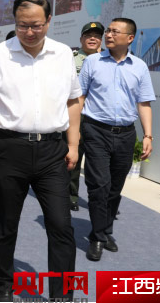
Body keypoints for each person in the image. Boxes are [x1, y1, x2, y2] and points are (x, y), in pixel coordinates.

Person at [0, 0, 81, 301]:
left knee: (61, 225)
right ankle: (3, 285)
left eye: (36, 25)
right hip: (10, 149)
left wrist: (73, 144)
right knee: (6, 223)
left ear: (48, 21)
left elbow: (73, 100)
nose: (29, 32)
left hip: (52, 151)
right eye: (22, 25)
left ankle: (62, 295)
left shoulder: (62, 54)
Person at [79, 17, 154, 262]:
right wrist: (75, 129)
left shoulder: (139, 67)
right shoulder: (92, 62)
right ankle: (98, 237)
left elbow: (144, 102)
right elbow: (80, 97)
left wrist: (148, 135)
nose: (108, 35)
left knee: (114, 187)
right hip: (95, 131)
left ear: (129, 38)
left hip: (126, 134)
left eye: (114, 31)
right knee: (99, 185)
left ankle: (104, 229)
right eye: (108, 31)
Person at [69, 21, 104, 211]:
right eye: (88, 36)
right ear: (81, 38)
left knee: (98, 162)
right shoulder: (70, 59)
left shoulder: (109, 59)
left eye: (97, 36)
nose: (92, 39)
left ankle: (100, 199)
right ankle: (71, 196)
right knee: (73, 157)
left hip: (99, 117)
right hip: (77, 114)